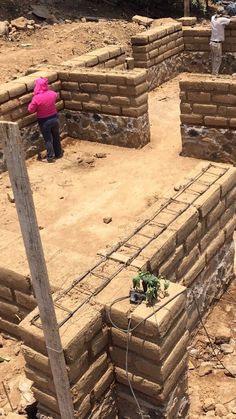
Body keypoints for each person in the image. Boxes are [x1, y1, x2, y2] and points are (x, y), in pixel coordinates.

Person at [28, 78, 63, 162]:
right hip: (55, 118)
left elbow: (30, 110)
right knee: (56, 137)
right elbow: (56, 96)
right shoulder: (52, 93)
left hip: (44, 121)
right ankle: (58, 153)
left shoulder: (36, 98)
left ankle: (50, 157)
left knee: (48, 140)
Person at [210, 7, 231, 75]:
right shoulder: (221, 20)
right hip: (217, 43)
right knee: (218, 59)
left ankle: (213, 73)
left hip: (212, 42)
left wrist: (224, 16)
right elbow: (232, 21)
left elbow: (216, 15)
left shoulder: (213, 18)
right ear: (222, 13)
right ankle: (215, 74)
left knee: (214, 58)